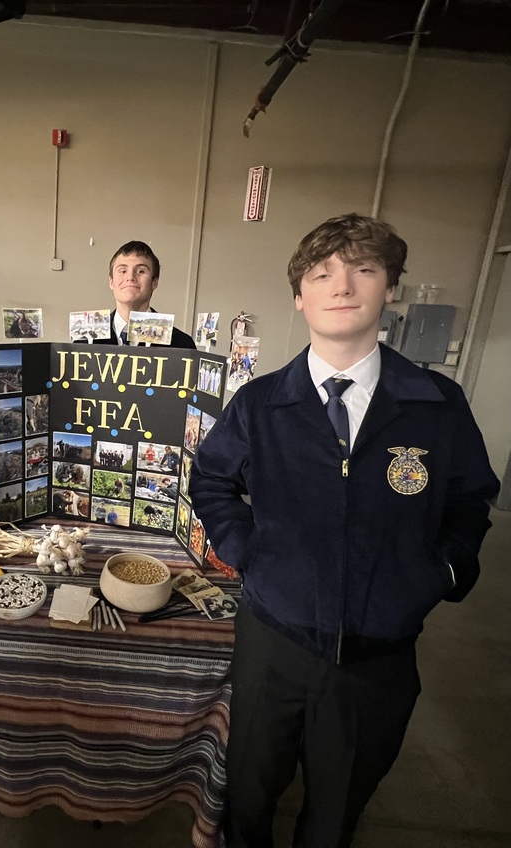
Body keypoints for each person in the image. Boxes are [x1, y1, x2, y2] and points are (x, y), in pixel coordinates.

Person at [190, 213, 499, 848]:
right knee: (249, 795)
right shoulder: (260, 404)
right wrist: (249, 551)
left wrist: (441, 572)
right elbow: (211, 482)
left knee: (335, 813)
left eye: (364, 268)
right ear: (299, 296)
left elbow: (471, 499)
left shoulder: (435, 405)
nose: (343, 284)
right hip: (273, 642)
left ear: (389, 288)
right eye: (322, 272)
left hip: (377, 656)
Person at [93, 240, 195, 348]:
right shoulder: (86, 341)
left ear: (154, 282)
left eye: (140, 271)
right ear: (111, 281)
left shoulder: (181, 344)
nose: (130, 277)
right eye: (123, 271)